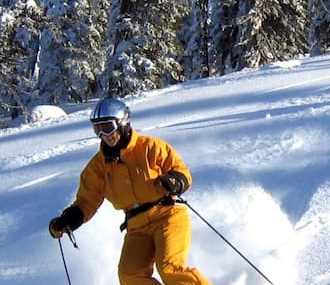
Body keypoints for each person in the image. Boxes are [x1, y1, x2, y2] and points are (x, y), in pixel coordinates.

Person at [48, 97, 210, 285]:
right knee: (129, 276)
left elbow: (182, 172)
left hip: (167, 214)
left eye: (107, 127)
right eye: (97, 129)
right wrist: (69, 219)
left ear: (122, 122)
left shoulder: (150, 147)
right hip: (136, 226)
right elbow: (87, 200)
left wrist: (175, 181)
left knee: (169, 267)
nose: (104, 135)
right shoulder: (98, 167)